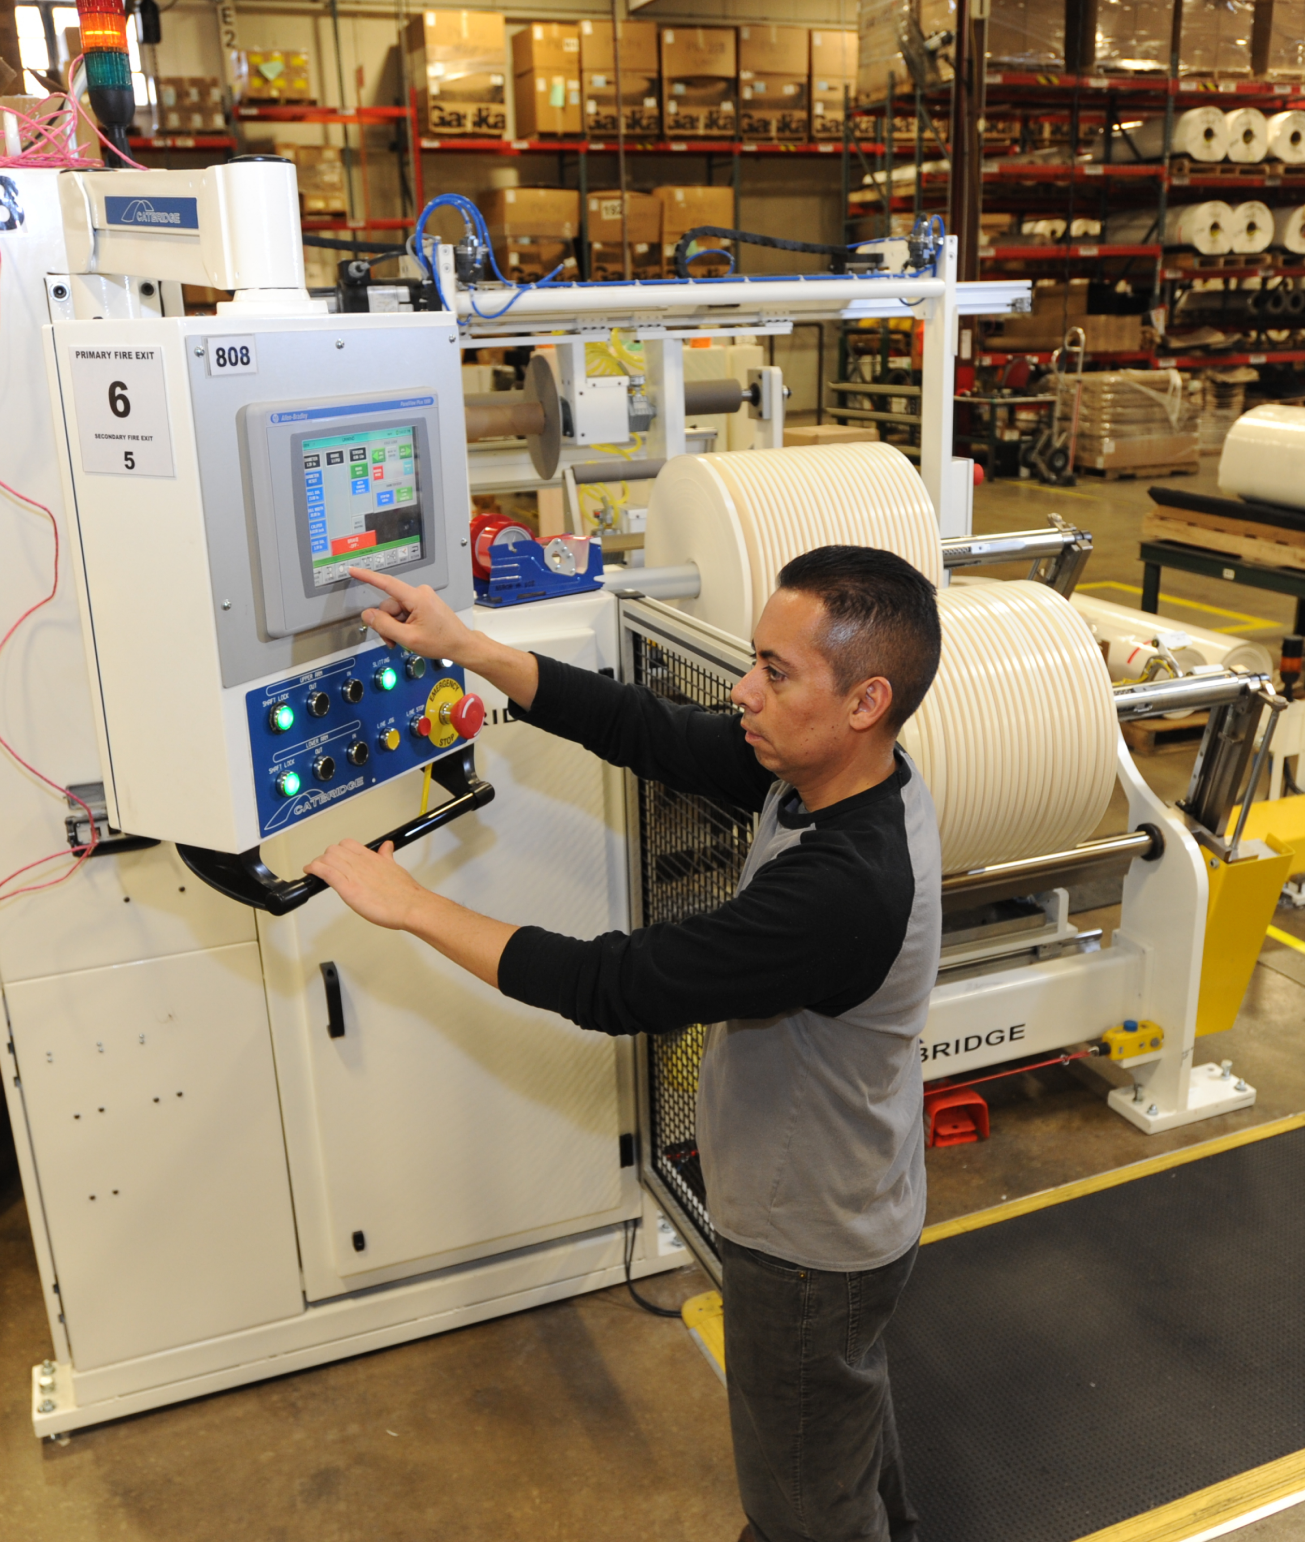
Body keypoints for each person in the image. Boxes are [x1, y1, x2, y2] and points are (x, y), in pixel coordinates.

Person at [306, 545, 943, 1542]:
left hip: (809, 1240)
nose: (744, 693)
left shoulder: (842, 889)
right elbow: (637, 726)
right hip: (857, 1193)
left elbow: (614, 984)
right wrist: (464, 645)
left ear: (866, 701)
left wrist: (414, 907)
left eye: (775, 673)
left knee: (800, 1502)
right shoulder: (839, 773)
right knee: (840, 1427)